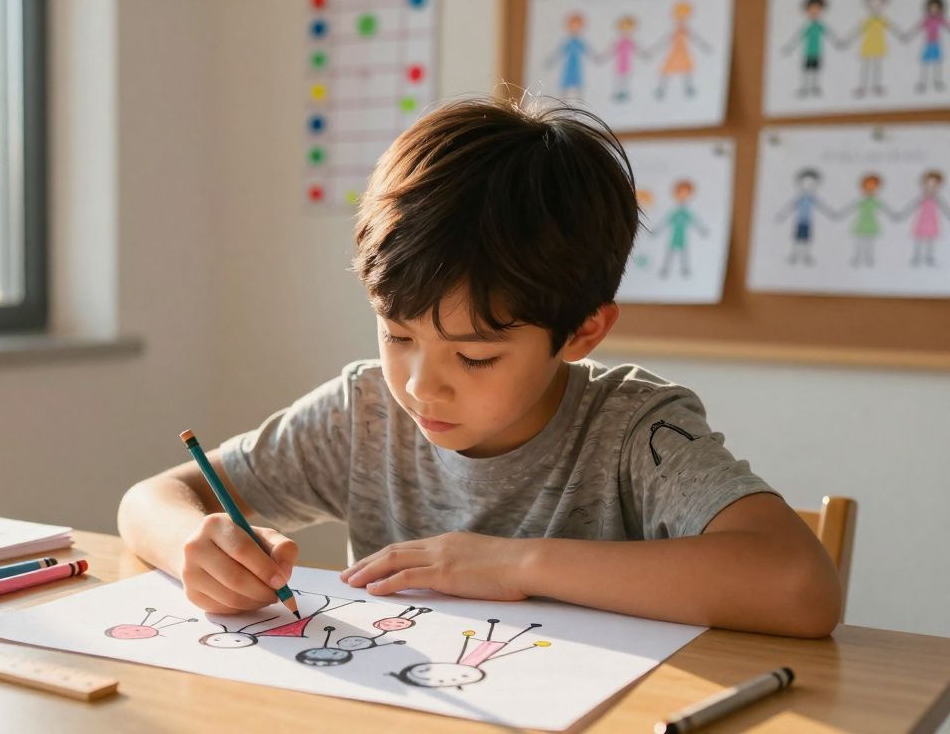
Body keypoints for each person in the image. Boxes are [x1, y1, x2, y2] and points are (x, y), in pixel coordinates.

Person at [117, 97, 843, 639]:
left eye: (474, 355)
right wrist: (195, 550)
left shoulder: (630, 431)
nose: (419, 385)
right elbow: (148, 499)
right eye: (397, 335)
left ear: (582, 331)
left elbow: (800, 586)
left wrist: (512, 565)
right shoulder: (364, 411)